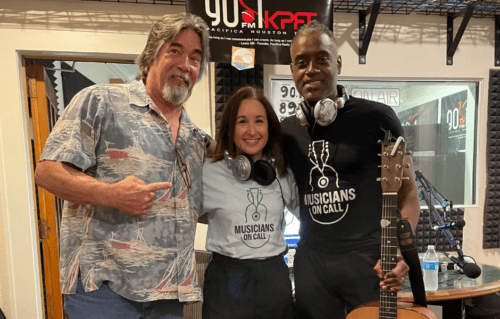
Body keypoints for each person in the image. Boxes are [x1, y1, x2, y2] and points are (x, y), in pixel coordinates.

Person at [34, 13, 211, 319]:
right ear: (152, 54)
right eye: (175, 51)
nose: (186, 64)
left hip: (168, 296)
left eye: (195, 58)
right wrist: (111, 195)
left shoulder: (197, 141)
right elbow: (47, 172)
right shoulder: (100, 102)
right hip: (104, 293)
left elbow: (197, 208)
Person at [281, 20, 421, 319]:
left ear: (339, 63)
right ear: (292, 70)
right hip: (312, 268)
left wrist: (398, 250)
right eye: (301, 62)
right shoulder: (287, 131)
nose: (311, 69)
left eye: (322, 59)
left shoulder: (378, 118)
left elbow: (408, 194)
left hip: (369, 265)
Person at [200, 86, 299, 319]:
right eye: (242, 121)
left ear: (269, 127)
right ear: (230, 128)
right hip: (230, 278)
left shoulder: (281, 172)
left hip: (274, 277)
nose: (252, 131)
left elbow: (308, 215)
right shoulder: (210, 171)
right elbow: (184, 215)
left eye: (259, 121)